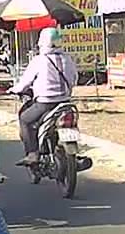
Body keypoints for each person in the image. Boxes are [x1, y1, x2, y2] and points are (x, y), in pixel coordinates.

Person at [10, 27, 76, 166]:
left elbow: (25, 83)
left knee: (25, 120)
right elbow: (74, 79)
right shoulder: (67, 59)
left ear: (42, 42)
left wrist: (14, 90)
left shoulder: (39, 60)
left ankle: (32, 153)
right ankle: (74, 157)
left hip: (45, 103)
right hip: (65, 102)